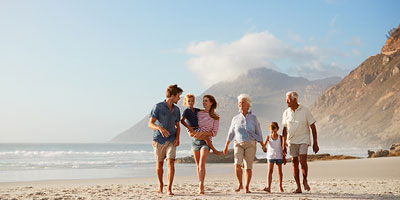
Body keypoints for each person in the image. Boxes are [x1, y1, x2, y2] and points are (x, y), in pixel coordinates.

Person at [223, 94, 267, 193]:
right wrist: (226, 146)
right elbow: (231, 132)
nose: (241, 104)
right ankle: (240, 184)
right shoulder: (235, 118)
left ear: (248, 104)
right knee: (237, 165)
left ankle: (247, 187)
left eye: (243, 102)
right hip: (238, 143)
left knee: (248, 167)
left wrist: (262, 144)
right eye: (239, 103)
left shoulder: (253, 118)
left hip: (251, 143)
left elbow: (258, 132)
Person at [148, 84, 183, 196]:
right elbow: (150, 123)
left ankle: (169, 189)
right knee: (159, 165)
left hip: (171, 139)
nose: (179, 98)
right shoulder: (158, 107)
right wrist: (160, 128)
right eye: (178, 96)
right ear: (172, 95)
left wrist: (177, 138)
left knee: (171, 163)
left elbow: (178, 126)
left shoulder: (177, 110)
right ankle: (160, 185)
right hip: (159, 140)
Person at [281, 91, 319, 193]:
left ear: (294, 100)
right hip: (291, 140)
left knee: (302, 161)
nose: (286, 101)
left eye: (288, 99)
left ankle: (305, 180)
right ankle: (298, 187)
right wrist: (283, 145)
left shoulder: (305, 110)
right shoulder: (286, 112)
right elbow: (284, 130)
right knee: (294, 162)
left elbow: (313, 126)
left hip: (303, 139)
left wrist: (315, 142)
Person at [186, 95, 220, 194]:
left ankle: (201, 185)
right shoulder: (198, 113)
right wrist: (189, 132)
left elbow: (214, 133)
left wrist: (203, 134)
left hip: (206, 142)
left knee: (201, 164)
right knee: (198, 165)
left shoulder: (215, 116)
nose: (204, 103)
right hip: (195, 141)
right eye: (203, 101)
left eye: (206, 101)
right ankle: (200, 182)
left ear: (211, 103)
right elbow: (190, 123)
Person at [263, 122, 286, 193]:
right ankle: (269, 187)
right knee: (270, 171)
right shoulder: (268, 137)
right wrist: (264, 148)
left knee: (279, 171)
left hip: (279, 156)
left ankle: (280, 186)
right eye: (272, 130)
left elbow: (283, 148)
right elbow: (264, 145)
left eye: (275, 130)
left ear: (277, 129)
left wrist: (284, 157)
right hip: (270, 156)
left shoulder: (281, 137)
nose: (273, 132)